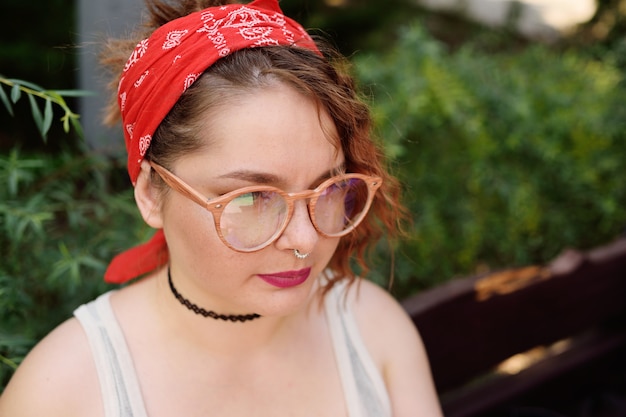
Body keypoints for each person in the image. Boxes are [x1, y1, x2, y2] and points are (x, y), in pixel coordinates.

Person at [0, 0, 443, 416]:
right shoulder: (62, 391)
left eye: (328, 188)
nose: (306, 240)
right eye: (253, 198)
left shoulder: (372, 328)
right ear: (152, 193)